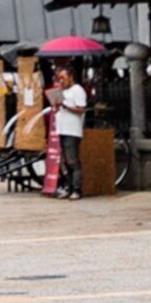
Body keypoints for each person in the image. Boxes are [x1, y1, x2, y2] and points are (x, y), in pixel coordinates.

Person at [51, 63, 91, 200]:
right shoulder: (63, 92)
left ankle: (77, 189)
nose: (61, 81)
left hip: (72, 130)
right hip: (62, 129)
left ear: (71, 77)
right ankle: (68, 187)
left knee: (72, 160)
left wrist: (65, 106)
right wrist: (57, 107)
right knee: (65, 162)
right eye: (59, 78)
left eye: (63, 78)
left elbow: (81, 109)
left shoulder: (77, 90)